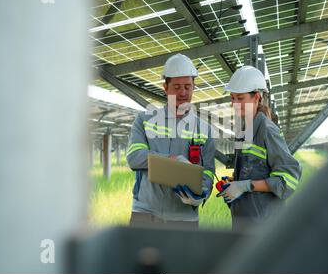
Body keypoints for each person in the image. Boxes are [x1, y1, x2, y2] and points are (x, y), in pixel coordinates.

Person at [126, 53, 216, 229]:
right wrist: (172, 161)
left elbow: (208, 172)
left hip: (184, 218)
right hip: (145, 214)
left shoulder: (204, 129)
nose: (183, 93)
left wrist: (201, 194)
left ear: (193, 87)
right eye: (176, 87)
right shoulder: (144, 120)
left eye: (187, 87)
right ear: (165, 87)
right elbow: (135, 157)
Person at [217, 65, 302, 231]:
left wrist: (246, 186)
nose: (234, 104)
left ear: (256, 97)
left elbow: (289, 179)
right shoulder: (244, 130)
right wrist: (236, 182)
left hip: (264, 225)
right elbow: (254, 171)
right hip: (244, 221)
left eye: (240, 98)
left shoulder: (267, 130)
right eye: (232, 98)